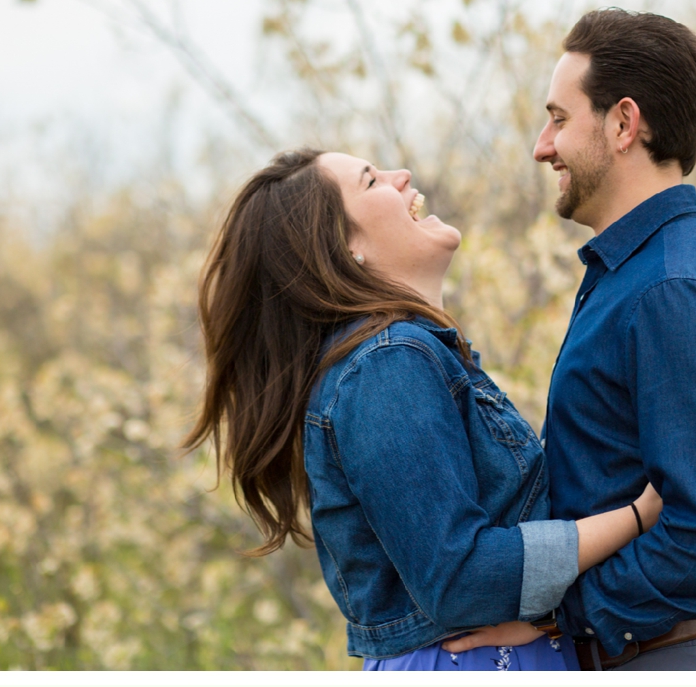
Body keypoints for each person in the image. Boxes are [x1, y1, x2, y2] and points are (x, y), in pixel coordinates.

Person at [185, 148, 664, 670]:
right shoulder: (387, 363)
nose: (401, 175)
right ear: (346, 249)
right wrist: (640, 514)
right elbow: (460, 579)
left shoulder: (403, 355)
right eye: (371, 182)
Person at [518, 8, 696, 670]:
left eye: (558, 117)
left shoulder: (675, 289)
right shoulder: (635, 276)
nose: (542, 145)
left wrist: (563, 619)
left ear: (622, 123)